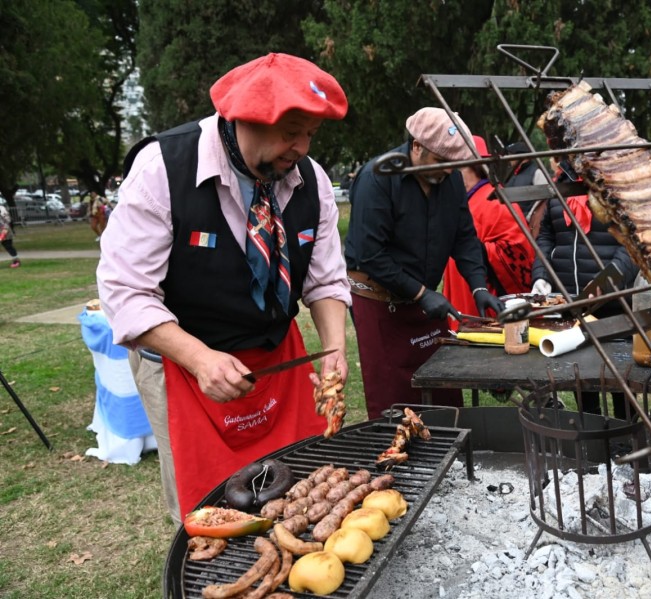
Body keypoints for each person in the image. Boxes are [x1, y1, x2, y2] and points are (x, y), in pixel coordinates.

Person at [96, 53, 351, 521]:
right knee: (207, 507)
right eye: (291, 129)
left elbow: (326, 277)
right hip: (182, 365)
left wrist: (333, 348)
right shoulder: (162, 168)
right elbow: (126, 292)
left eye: (311, 133)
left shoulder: (311, 180)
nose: (301, 146)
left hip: (279, 357)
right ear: (243, 118)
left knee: (298, 487)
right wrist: (199, 359)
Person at [345, 107, 504, 419]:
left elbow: (464, 238)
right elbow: (369, 253)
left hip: (424, 304)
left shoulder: (452, 181)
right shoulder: (376, 178)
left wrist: (478, 286)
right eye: (440, 161)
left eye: (452, 163)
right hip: (379, 303)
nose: (447, 170)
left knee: (444, 391)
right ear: (416, 145)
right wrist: (420, 293)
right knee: (394, 403)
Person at [530, 159, 639, 414]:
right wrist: (541, 275)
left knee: (621, 384)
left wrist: (610, 278)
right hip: (571, 306)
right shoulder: (560, 186)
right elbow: (547, 235)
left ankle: (625, 441)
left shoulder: (617, 184)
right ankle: (592, 444)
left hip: (615, 305)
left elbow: (633, 240)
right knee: (582, 382)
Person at [442, 135, 534, 325]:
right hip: (461, 291)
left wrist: (476, 250)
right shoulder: (461, 200)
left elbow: (519, 252)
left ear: (476, 166)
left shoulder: (495, 200)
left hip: (486, 296)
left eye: (458, 166)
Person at [504, 141, 550, 232]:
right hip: (510, 224)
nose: (509, 159)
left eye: (511, 155)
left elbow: (544, 198)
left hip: (526, 225)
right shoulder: (513, 174)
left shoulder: (536, 172)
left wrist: (530, 217)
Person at [0, 204, 21, 268]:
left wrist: (5, 229)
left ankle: (16, 261)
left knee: (8, 246)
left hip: (4, 229)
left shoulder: (1, 208)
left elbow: (7, 220)